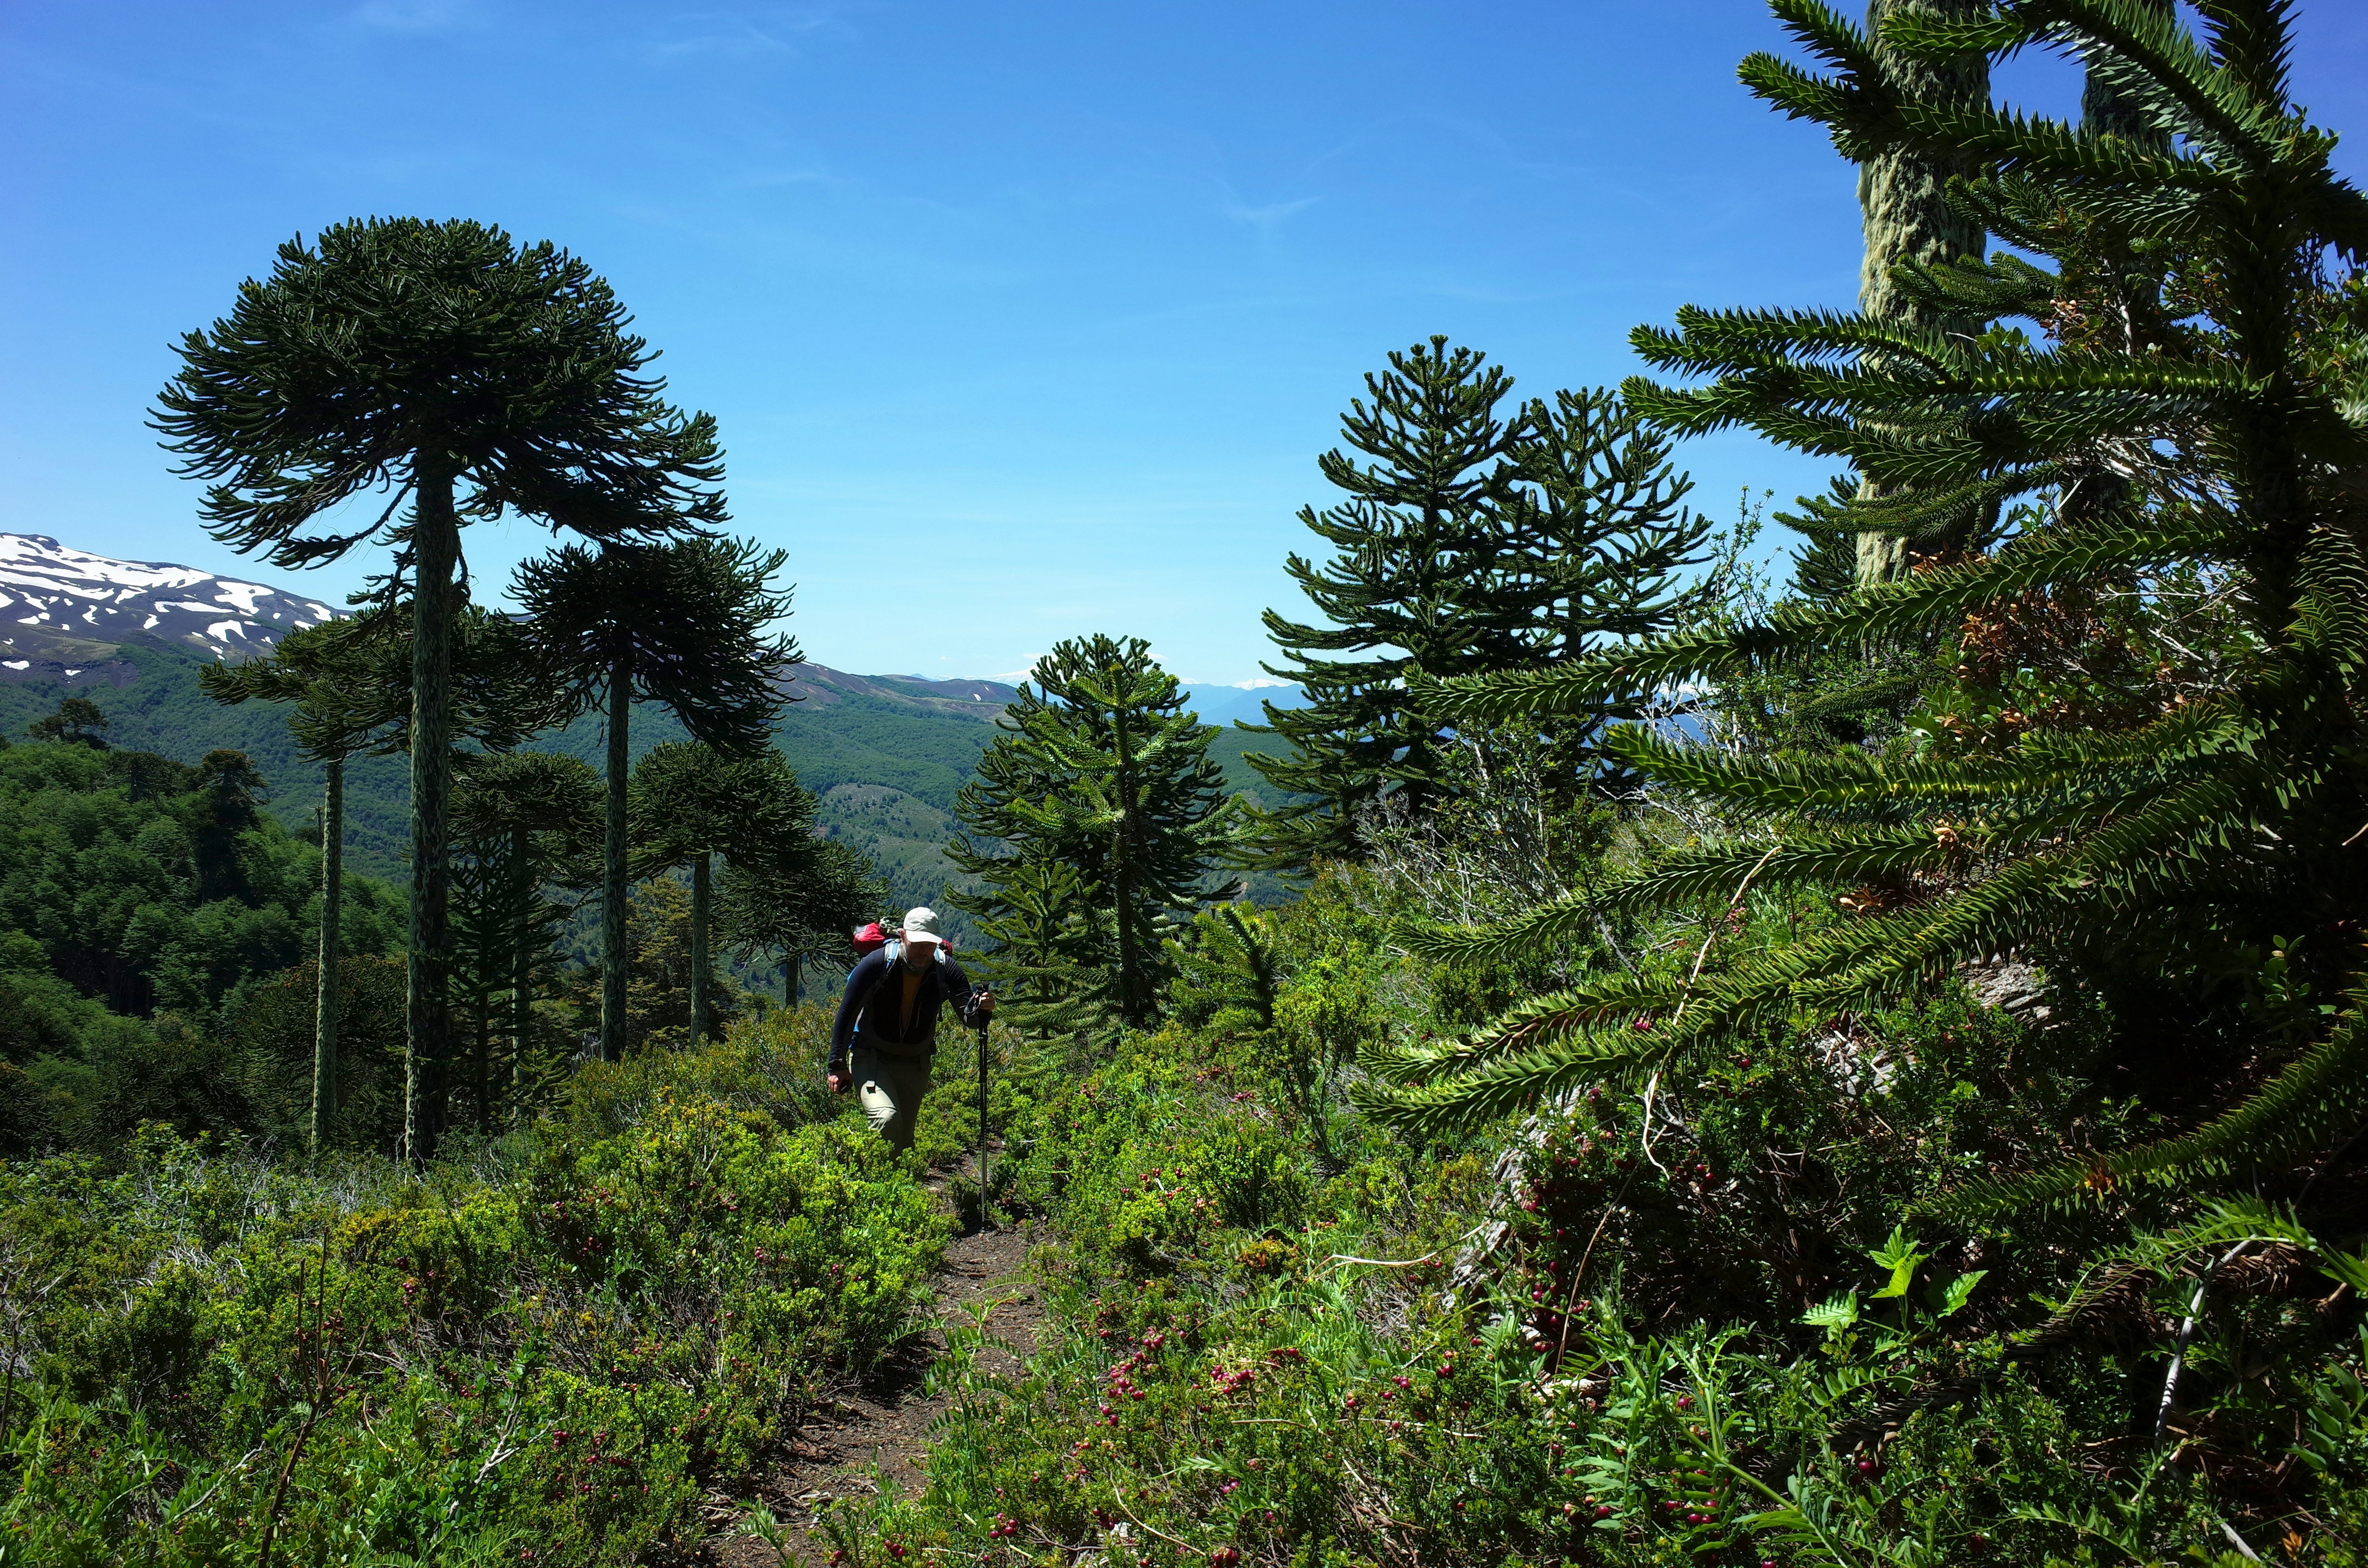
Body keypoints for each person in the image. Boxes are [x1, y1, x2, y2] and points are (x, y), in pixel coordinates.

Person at [827, 906, 993, 1151]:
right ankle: (877, 1185)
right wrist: (836, 1066)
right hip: (871, 1056)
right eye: (917, 943)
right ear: (903, 935)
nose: (923, 951)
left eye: (929, 944)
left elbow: (971, 1020)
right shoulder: (876, 964)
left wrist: (984, 1008)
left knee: (905, 1140)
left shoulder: (946, 969)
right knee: (886, 1120)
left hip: (916, 1062)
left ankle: (901, 1186)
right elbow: (847, 1013)